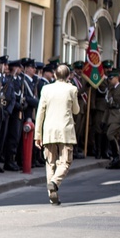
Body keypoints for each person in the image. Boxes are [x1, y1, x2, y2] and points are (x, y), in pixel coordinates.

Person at [34, 65, 80, 205]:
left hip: (49, 130)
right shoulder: (71, 89)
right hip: (65, 130)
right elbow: (76, 110)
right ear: (68, 76)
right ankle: (54, 182)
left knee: (50, 163)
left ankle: (52, 194)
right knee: (65, 161)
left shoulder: (46, 89)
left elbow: (40, 113)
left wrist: (38, 134)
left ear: (54, 75)